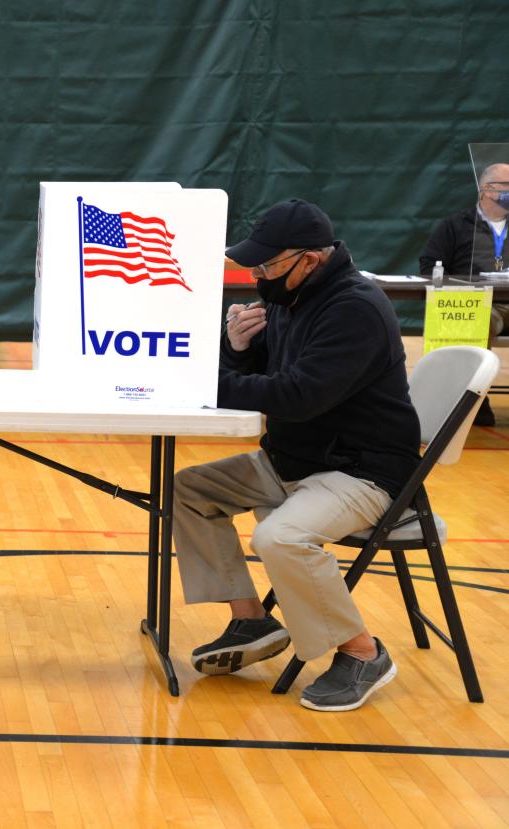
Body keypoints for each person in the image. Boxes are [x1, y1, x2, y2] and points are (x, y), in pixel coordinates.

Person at [176, 199, 421, 712]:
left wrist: (201, 381)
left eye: (267, 265)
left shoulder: (353, 308)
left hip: (363, 471)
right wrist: (239, 349)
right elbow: (264, 372)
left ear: (310, 259)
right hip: (293, 460)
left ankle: (364, 652)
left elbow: (297, 396)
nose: (258, 275)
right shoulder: (292, 297)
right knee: (187, 490)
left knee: (279, 536)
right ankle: (252, 620)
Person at [419, 161, 509, 424]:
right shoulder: (455, 225)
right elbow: (429, 266)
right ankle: (473, 402)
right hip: (476, 305)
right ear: (487, 189)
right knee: (479, 320)